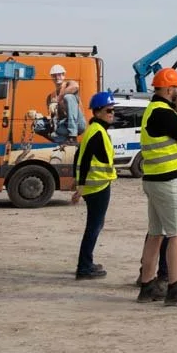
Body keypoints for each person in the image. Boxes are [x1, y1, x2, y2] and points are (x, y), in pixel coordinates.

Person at [136, 68, 177, 306]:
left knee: (156, 234)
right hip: (168, 181)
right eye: (176, 89)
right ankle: (176, 286)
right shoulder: (164, 113)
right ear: (167, 90)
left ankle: (147, 285)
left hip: (154, 180)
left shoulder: (152, 111)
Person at [71, 93, 118, 279]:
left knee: (94, 226)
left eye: (113, 110)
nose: (112, 113)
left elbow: (78, 155)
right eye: (108, 110)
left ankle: (87, 263)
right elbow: (85, 159)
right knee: (94, 227)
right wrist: (80, 186)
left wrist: (77, 180)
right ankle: (84, 268)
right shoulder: (97, 131)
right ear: (97, 111)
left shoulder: (95, 129)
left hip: (96, 186)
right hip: (97, 187)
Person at [46, 64, 85, 145]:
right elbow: (53, 118)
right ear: (51, 77)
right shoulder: (50, 97)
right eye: (54, 75)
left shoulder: (70, 84)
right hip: (64, 124)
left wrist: (57, 101)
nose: (57, 77)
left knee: (69, 97)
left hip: (78, 123)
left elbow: (75, 87)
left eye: (59, 74)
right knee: (39, 124)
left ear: (63, 75)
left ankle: (72, 136)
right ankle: (63, 141)